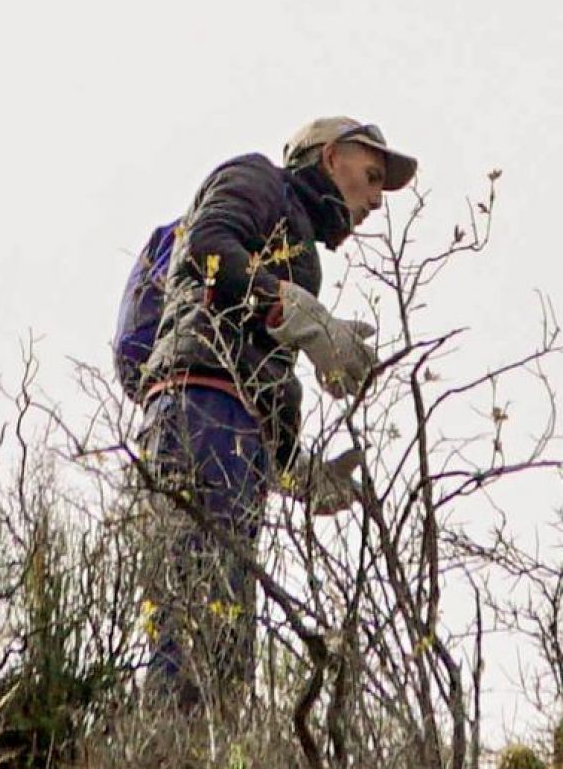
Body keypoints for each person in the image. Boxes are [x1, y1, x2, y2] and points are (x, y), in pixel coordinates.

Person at [135, 116, 418, 711]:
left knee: (225, 621)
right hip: (199, 401)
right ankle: (165, 762)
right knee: (191, 604)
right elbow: (209, 246)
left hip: (231, 420)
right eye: (369, 178)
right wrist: (299, 314)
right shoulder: (257, 178)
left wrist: (298, 472)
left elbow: (264, 380)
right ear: (330, 154)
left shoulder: (301, 247)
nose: (373, 201)